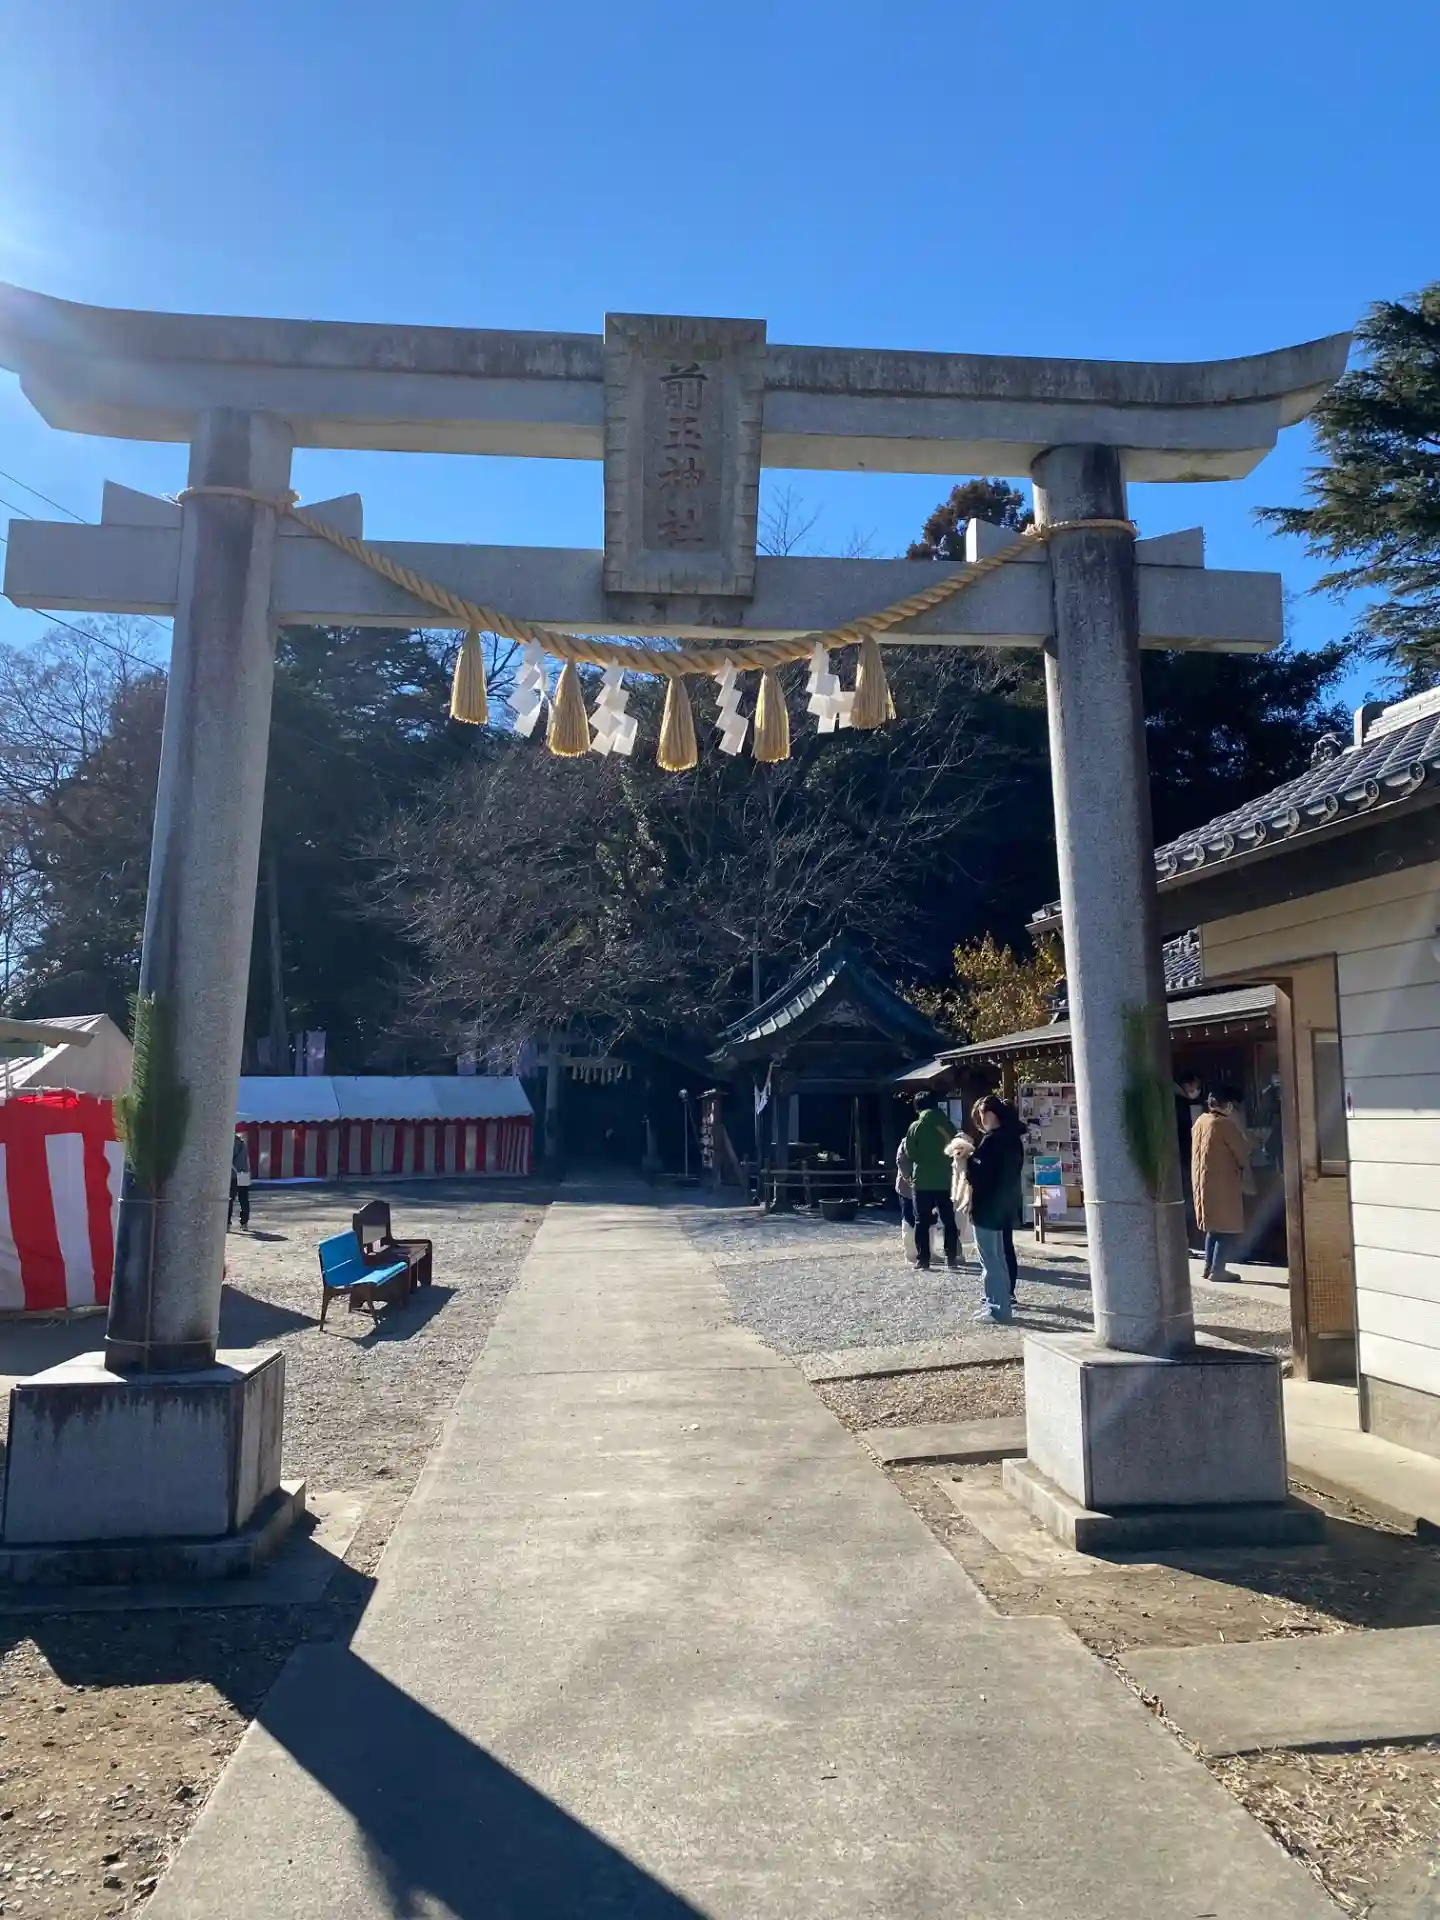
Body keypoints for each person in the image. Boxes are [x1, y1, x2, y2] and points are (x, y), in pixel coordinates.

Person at [966, 1095, 1025, 1322]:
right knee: (999, 1258)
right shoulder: (1013, 1139)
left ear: (990, 1114)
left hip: (986, 1207)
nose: (981, 1120)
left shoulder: (992, 1141)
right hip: (1003, 1206)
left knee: (990, 1261)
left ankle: (997, 1308)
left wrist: (968, 1159)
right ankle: (1000, 1302)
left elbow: (979, 1173)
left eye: (981, 1114)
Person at [1192, 1085, 1250, 1282]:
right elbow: (1242, 1151)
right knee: (1226, 1227)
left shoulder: (1201, 1121)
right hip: (1222, 1183)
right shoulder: (1224, 1124)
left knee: (1213, 1228)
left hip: (1203, 1182)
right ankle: (1218, 1270)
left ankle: (1208, 1267)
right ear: (1229, 1105)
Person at [903, 1092, 960, 1271]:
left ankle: (923, 1260)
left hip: (922, 1179)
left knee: (921, 1220)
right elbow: (956, 1148)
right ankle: (951, 1257)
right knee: (948, 1219)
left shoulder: (916, 1126)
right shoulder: (948, 1125)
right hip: (946, 1179)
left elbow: (910, 1152)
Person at [1174, 1072, 1204, 1247]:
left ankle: (1187, 1239)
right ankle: (1188, 1238)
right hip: (1185, 1157)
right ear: (1186, 1085)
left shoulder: (1176, 1100)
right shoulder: (1180, 1103)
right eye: (1195, 1086)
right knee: (1187, 1198)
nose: (1197, 1090)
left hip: (1180, 1157)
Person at [944, 1127, 979, 1266]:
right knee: (957, 1225)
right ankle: (957, 1253)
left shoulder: (971, 1160)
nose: (958, 1151)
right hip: (956, 1195)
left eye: (961, 1147)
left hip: (966, 1194)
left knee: (966, 1225)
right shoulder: (954, 1161)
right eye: (956, 1148)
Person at [895, 1136, 921, 1264]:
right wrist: (909, 1178)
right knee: (909, 1219)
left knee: (926, 1219)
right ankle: (911, 1253)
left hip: (923, 1186)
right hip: (908, 1188)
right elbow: (901, 1161)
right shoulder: (907, 1141)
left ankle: (926, 1250)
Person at [228, 1128, 252, 1231]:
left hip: (234, 1174)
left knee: (230, 1199)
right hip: (244, 1173)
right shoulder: (242, 1142)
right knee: (244, 1199)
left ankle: (227, 1223)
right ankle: (244, 1222)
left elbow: (230, 1158)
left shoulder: (231, 1142)